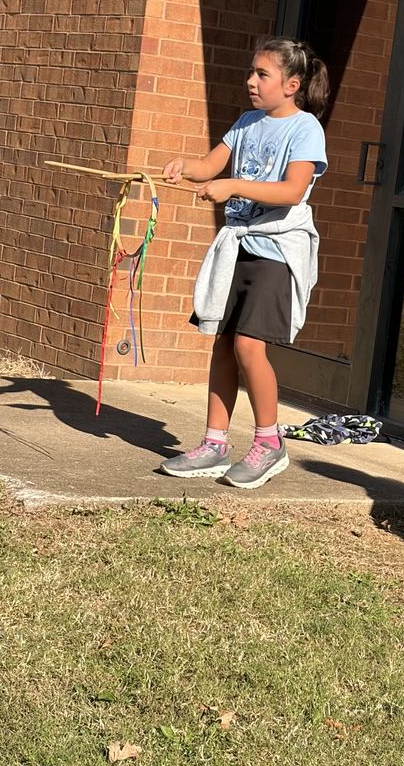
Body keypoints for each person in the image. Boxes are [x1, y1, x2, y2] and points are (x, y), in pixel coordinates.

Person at [159, 36, 329, 488]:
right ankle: (215, 443)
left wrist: (234, 186)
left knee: (250, 347)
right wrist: (184, 166)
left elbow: (292, 191)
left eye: (262, 74)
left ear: (292, 84)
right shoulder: (246, 123)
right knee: (223, 342)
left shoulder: (306, 128)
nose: (250, 81)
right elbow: (210, 165)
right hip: (237, 247)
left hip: (276, 250)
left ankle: (269, 444)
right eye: (252, 72)